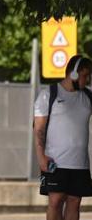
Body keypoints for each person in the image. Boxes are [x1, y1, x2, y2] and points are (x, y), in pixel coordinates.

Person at [34, 54, 92, 220]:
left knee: (75, 201)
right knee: (55, 201)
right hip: (54, 162)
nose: (87, 80)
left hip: (80, 163)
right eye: (85, 75)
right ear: (73, 74)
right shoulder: (48, 95)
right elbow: (39, 129)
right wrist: (41, 157)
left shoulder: (88, 96)